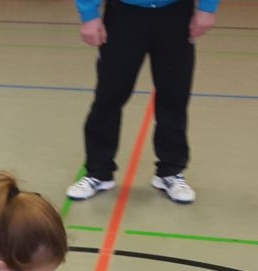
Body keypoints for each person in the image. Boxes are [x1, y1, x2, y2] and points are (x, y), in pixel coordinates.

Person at [65, 0, 220, 204]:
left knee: (174, 96)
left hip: (176, 14)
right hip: (123, 15)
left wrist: (207, 8)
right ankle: (98, 172)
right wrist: (89, 15)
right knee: (109, 97)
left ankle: (170, 172)